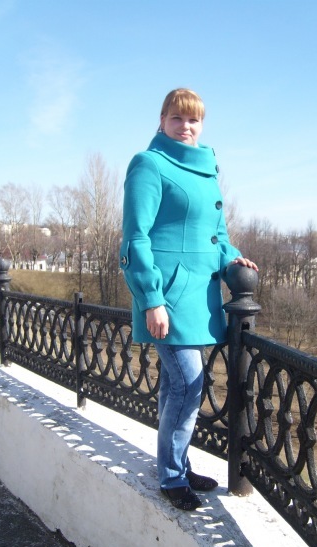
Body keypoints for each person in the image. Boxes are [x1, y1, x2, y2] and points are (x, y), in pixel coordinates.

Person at [120, 88, 258, 510]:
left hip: (201, 296)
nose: (185, 126)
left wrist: (233, 259)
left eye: (193, 119)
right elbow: (135, 238)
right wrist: (151, 299)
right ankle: (172, 476)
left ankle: (176, 463)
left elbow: (217, 236)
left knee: (175, 387)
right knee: (188, 383)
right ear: (162, 121)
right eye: (177, 118)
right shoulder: (149, 164)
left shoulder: (207, 169)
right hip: (168, 298)